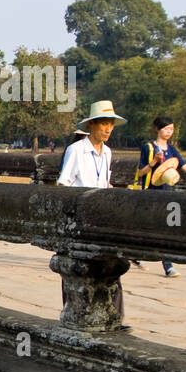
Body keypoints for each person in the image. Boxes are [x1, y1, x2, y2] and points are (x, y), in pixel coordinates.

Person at [57, 99, 128, 323]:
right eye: (104, 124)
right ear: (92, 125)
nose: (108, 129)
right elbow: (63, 184)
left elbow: (104, 182)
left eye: (111, 125)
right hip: (79, 220)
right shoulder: (76, 150)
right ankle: (75, 313)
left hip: (102, 219)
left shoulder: (107, 152)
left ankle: (114, 317)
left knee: (111, 268)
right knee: (76, 269)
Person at [135, 116, 186, 278]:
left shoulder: (171, 149)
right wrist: (153, 163)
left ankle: (168, 265)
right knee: (149, 228)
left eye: (171, 129)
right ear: (157, 129)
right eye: (166, 129)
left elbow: (183, 165)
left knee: (169, 227)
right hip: (151, 192)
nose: (169, 132)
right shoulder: (148, 147)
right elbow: (140, 172)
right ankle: (135, 254)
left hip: (168, 192)